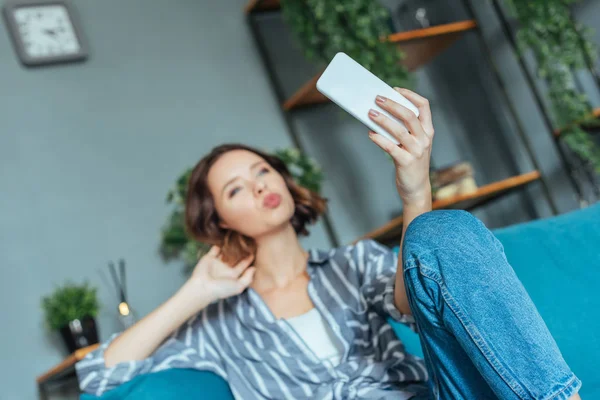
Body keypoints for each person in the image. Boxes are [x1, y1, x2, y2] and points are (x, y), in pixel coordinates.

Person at [76, 88, 581, 399]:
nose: (258, 186)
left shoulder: (353, 264)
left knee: (439, 229)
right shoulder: (215, 326)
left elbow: (416, 303)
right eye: (235, 189)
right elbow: (99, 376)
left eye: (263, 171)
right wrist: (197, 292)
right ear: (220, 220)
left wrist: (414, 191)